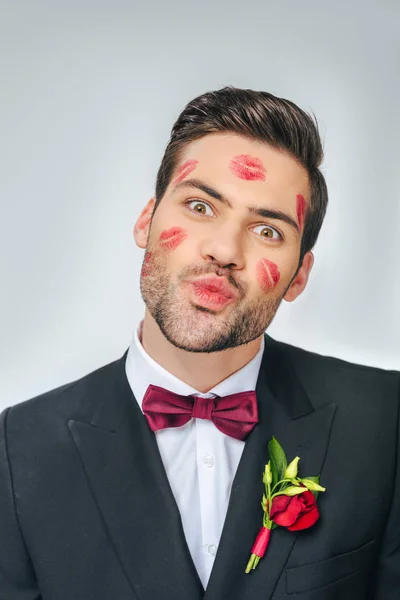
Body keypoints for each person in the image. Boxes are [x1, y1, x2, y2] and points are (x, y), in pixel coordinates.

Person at [0, 87, 399, 600]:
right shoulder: (17, 450)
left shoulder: (385, 422)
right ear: (147, 220)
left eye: (267, 231)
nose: (223, 250)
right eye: (200, 206)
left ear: (299, 276)